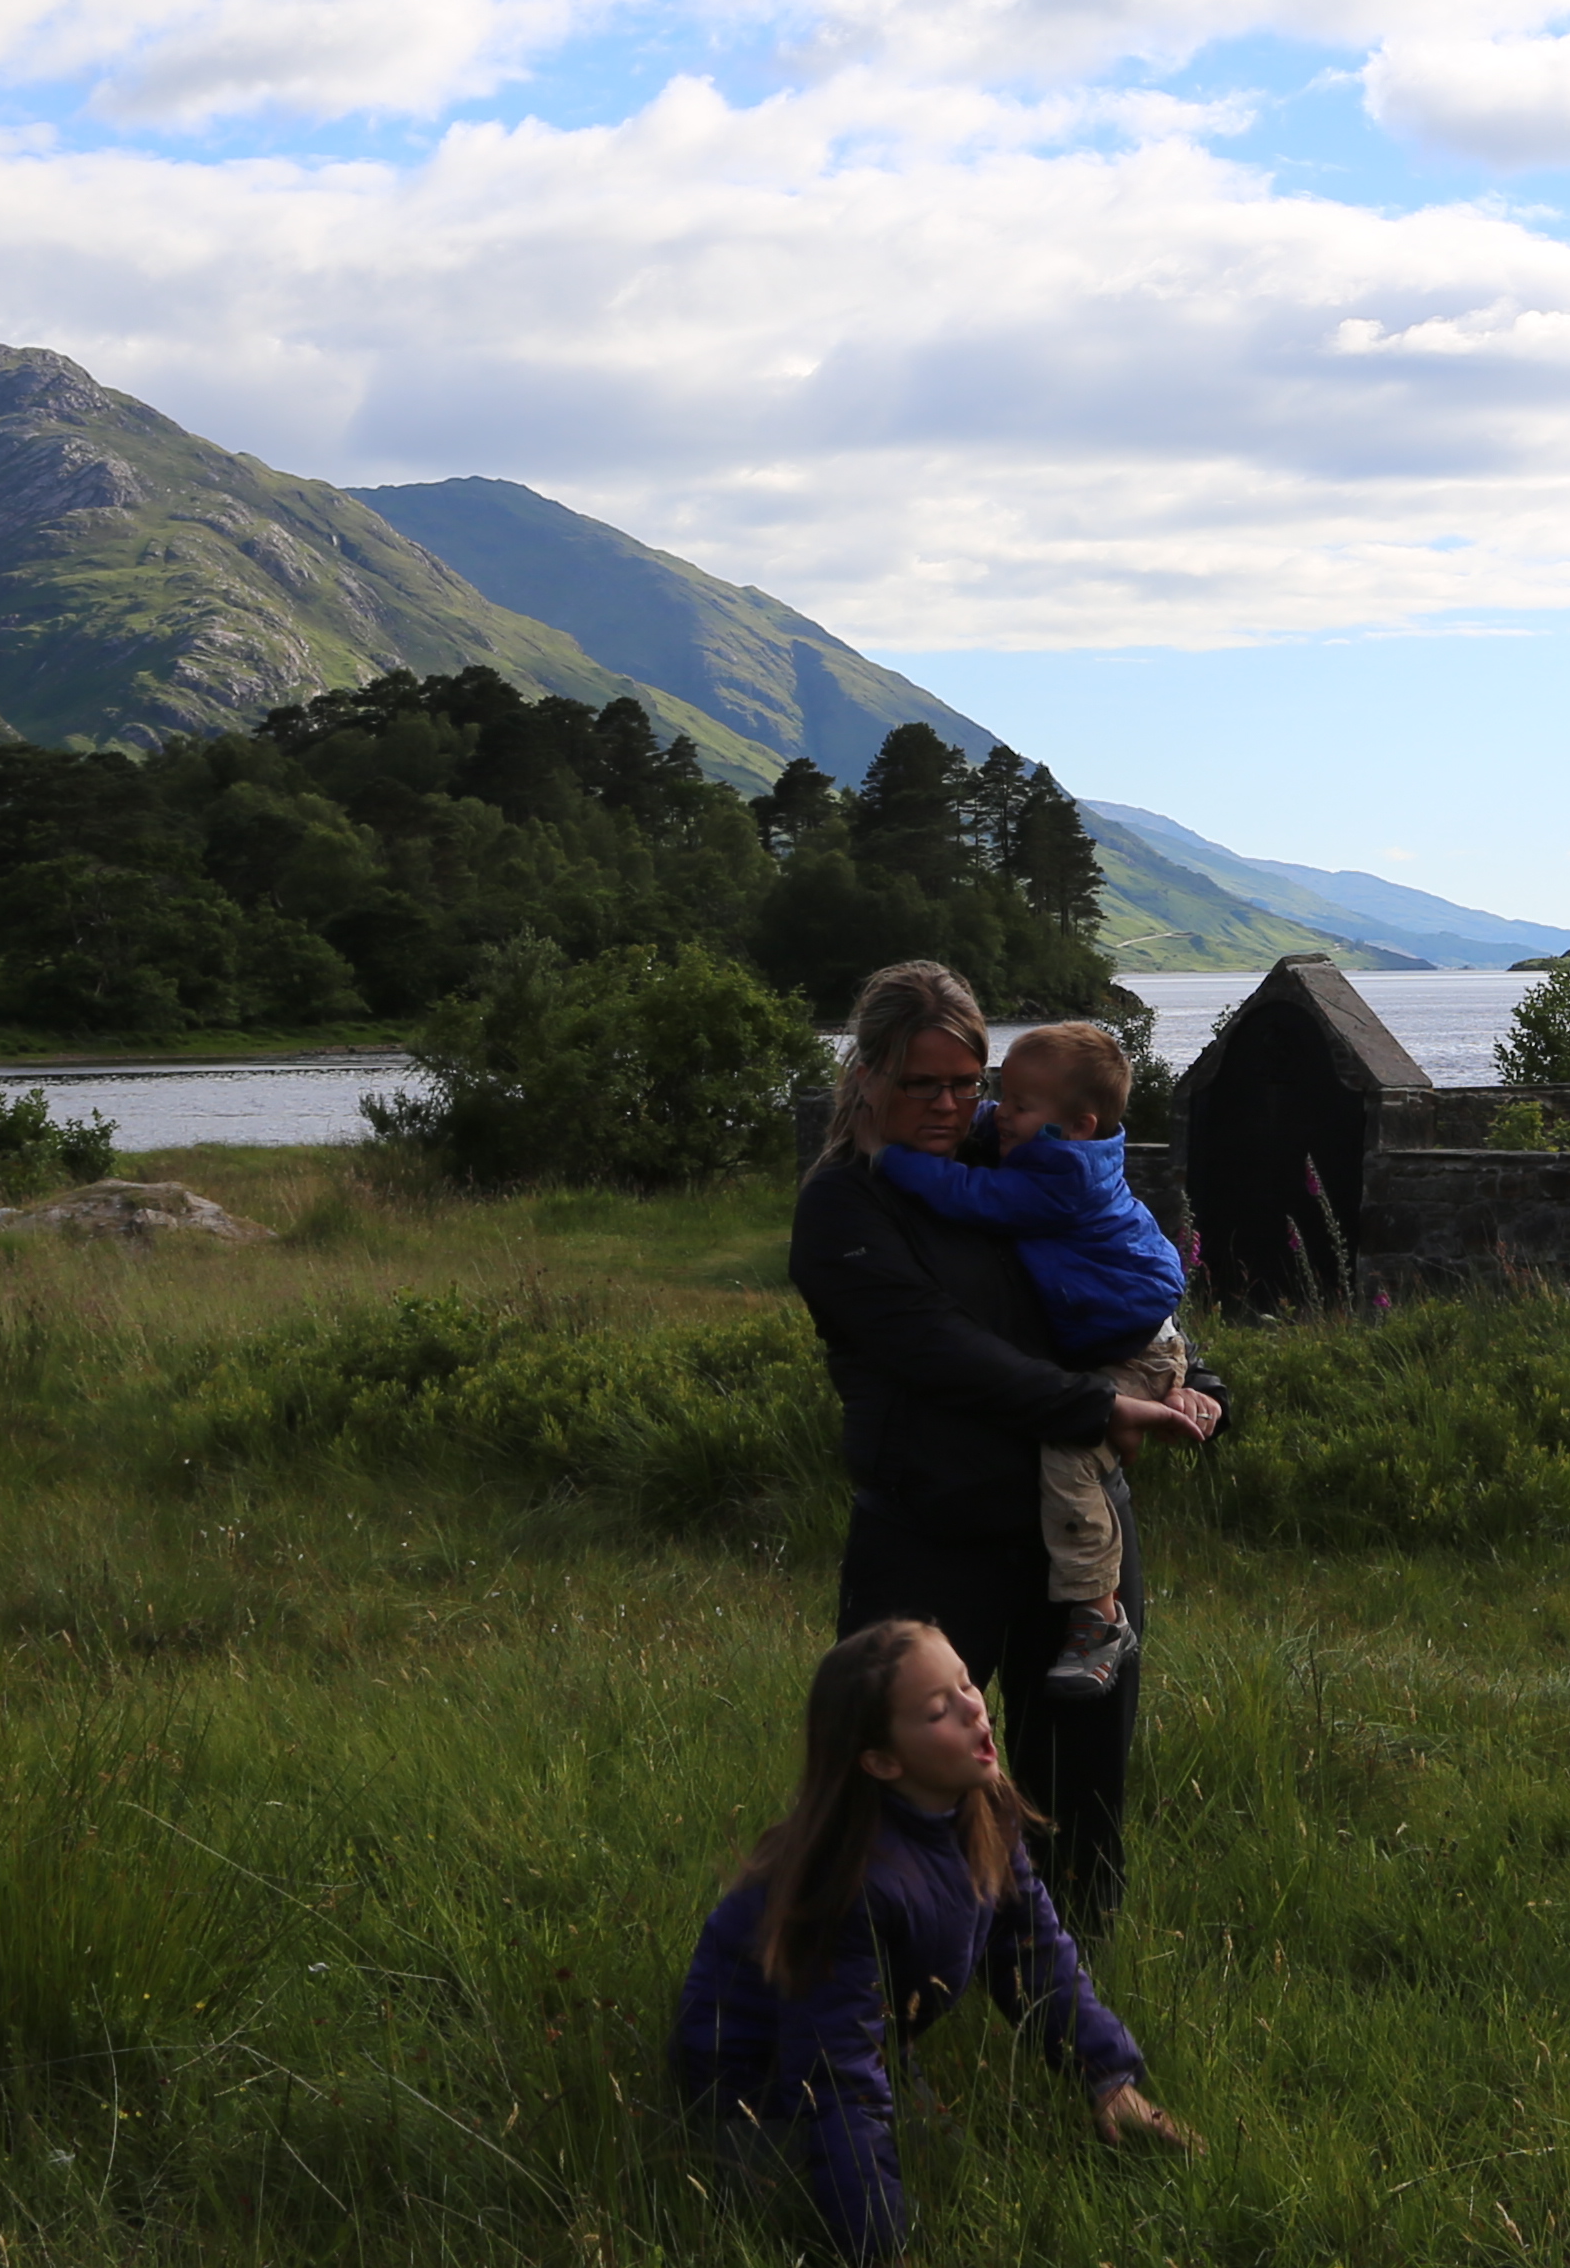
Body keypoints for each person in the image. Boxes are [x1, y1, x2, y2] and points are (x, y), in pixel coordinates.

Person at [789, 963, 1218, 1927]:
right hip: (934, 1534)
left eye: (966, 1083)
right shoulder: (845, 1206)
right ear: (866, 1075)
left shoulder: (1016, 1154)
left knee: (1082, 1801)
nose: (949, 1106)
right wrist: (1097, 1412)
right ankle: (865, 2014)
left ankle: (1070, 2030)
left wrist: (1199, 1383)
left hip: (1075, 1542)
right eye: (921, 1083)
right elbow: (939, 1351)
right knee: (890, 1797)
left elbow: (1105, 1278)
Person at [668, 1618, 1195, 2259]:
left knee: (953, 2169)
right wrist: (881, 2249)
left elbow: (1035, 1954)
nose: (975, 1708)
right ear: (882, 1761)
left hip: (874, 2044)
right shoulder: (848, 1884)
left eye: (967, 1684)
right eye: (941, 1709)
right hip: (762, 2083)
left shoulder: (984, 1808)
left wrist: (1109, 2075)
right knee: (836, 2204)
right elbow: (833, 2078)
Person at [868, 1022, 1189, 1701]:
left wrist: (891, 1159)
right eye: (930, 1086)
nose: (986, 1112)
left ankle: (1098, 1615)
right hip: (1117, 1342)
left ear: (1075, 1124)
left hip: (1130, 1351)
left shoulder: (1059, 1177)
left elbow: (969, 1196)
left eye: (1005, 1102)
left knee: (1070, 1458)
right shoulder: (1053, 1148)